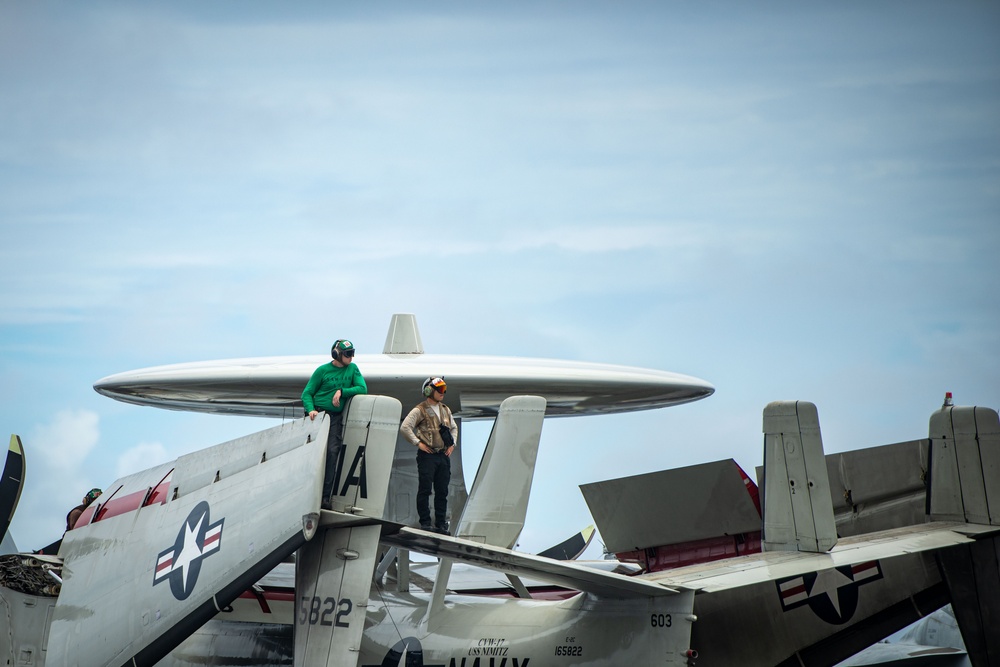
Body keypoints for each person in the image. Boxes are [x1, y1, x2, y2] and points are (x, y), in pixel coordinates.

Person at [302, 339, 368, 509]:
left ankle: (325, 497)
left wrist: (342, 391)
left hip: (335, 418)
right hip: (317, 415)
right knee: (314, 455)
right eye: (348, 354)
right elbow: (307, 393)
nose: (351, 357)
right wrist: (311, 410)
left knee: (332, 452)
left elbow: (362, 388)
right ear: (337, 354)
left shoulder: (352, 369)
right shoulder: (322, 371)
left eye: (353, 353)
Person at [399, 377, 458, 534]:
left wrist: (452, 445)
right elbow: (405, 427)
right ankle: (425, 522)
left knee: (442, 491)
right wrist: (419, 444)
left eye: (444, 389)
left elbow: (454, 427)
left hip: (442, 455)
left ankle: (441, 524)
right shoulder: (420, 410)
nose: (442, 392)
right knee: (425, 489)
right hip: (428, 456)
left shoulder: (445, 409)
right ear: (428, 391)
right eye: (439, 389)